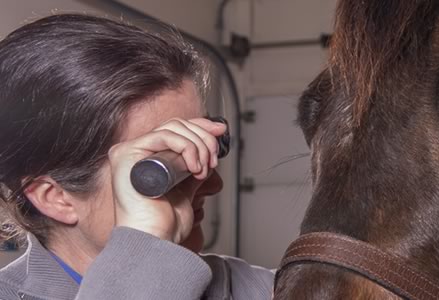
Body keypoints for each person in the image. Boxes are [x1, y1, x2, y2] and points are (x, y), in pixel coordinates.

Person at [0, 13, 274, 299]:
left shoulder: (253, 288)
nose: (213, 183)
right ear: (55, 196)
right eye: (168, 167)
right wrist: (145, 246)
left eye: (209, 144)